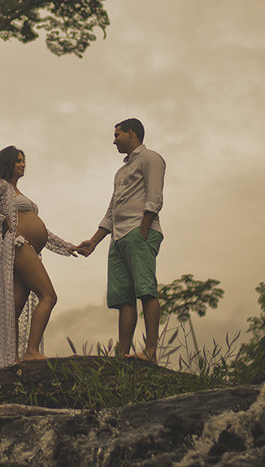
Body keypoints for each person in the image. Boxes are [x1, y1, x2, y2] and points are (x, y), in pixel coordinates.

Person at [0, 146, 83, 367]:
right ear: (8, 163)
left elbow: (45, 234)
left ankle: (12, 359)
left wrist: (69, 247)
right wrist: (0, 220)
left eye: (24, 161)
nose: (23, 165)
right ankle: (31, 351)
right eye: (18, 161)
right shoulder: (1, 186)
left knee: (16, 306)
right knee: (49, 296)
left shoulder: (18, 193)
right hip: (19, 246)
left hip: (30, 249)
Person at [75, 118, 166, 361]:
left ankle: (150, 351)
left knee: (146, 290)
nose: (114, 140)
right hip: (118, 237)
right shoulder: (121, 171)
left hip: (139, 232)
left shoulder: (151, 158)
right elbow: (112, 209)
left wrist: (143, 228)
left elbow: (155, 196)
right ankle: (123, 355)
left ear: (131, 133)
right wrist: (94, 241)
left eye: (117, 135)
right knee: (123, 298)